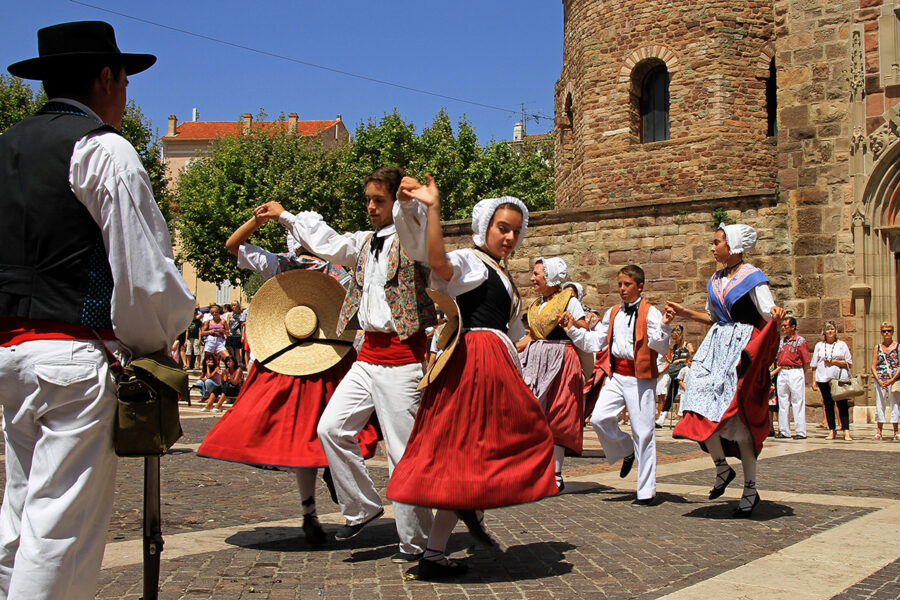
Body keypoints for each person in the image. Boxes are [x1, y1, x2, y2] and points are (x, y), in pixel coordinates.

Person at [0, 21, 194, 599]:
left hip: (10, 353)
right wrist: (156, 340)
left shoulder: (6, 146)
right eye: (126, 82)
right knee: (60, 531)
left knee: (19, 513)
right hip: (73, 356)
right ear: (106, 77)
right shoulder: (102, 149)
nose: (127, 95)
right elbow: (144, 273)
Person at [253, 166, 436, 563]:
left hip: (402, 359)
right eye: (368, 199)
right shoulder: (364, 243)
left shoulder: (413, 239)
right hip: (368, 356)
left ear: (395, 203)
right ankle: (362, 506)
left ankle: (415, 543)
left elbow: (414, 222)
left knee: (401, 453)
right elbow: (328, 242)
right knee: (331, 428)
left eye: (379, 200)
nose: (370, 207)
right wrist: (286, 216)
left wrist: (409, 201)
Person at [387, 174, 557, 580]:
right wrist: (433, 209)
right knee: (468, 452)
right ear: (485, 227)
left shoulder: (503, 276)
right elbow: (439, 264)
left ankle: (453, 532)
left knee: (473, 453)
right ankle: (444, 542)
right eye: (503, 228)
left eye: (515, 231)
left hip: (494, 363)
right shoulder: (471, 261)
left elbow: (515, 333)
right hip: (474, 362)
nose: (510, 237)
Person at [197, 218, 379, 545]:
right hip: (322, 358)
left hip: (299, 360)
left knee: (304, 440)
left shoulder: (286, 264)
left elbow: (233, 245)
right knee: (334, 432)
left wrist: (258, 220)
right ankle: (330, 488)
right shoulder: (337, 265)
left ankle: (312, 508)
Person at [667, 223, 784, 518]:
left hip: (741, 346)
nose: (712, 247)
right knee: (697, 402)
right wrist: (684, 312)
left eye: (717, 242)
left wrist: (776, 315)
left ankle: (750, 488)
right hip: (717, 346)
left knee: (738, 417)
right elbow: (712, 316)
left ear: (733, 246)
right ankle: (721, 466)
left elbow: (768, 312)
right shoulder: (715, 279)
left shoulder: (753, 277)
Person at [561, 265, 674, 507]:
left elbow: (661, 347)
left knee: (644, 433)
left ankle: (646, 492)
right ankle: (626, 449)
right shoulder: (613, 312)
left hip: (640, 378)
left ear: (640, 286)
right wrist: (571, 330)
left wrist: (664, 326)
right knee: (599, 418)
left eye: (627, 284)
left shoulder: (651, 313)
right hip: (616, 375)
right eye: (620, 284)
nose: (622, 289)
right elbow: (595, 341)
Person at [519, 257, 587, 491]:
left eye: (537, 274)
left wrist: (572, 322)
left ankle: (556, 473)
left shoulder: (568, 301)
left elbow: (585, 327)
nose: (532, 278)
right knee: (533, 412)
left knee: (558, 413)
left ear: (550, 277)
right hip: (536, 359)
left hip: (560, 357)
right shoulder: (537, 305)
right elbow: (531, 335)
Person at [810, 321, 853, 441]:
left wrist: (833, 362)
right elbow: (814, 365)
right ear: (824, 331)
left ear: (836, 331)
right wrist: (814, 380)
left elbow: (849, 362)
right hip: (823, 378)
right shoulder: (819, 345)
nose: (830, 331)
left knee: (842, 404)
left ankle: (846, 430)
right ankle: (831, 430)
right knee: (828, 404)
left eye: (832, 329)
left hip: (839, 378)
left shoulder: (842, 345)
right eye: (828, 329)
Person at [774, 316, 810, 439]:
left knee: (797, 401)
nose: (783, 328)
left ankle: (800, 431)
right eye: (783, 326)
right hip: (783, 371)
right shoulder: (782, 341)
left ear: (793, 327)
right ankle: (784, 430)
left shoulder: (800, 341)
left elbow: (806, 361)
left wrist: (801, 373)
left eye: (786, 326)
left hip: (795, 370)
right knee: (782, 401)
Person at [656, 324, 693, 427]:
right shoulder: (675, 347)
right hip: (676, 373)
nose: (674, 341)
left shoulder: (687, 345)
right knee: (670, 395)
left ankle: (686, 419)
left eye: (676, 338)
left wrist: (680, 360)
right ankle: (661, 418)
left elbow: (691, 357)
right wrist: (668, 360)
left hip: (685, 374)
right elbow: (672, 361)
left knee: (684, 395)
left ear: (680, 336)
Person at [871, 321, 900, 441]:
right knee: (880, 404)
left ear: (892, 332)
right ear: (881, 333)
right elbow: (873, 365)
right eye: (884, 331)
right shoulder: (877, 347)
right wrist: (878, 380)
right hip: (880, 379)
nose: (886, 333)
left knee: (895, 404)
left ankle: (896, 432)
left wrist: (892, 380)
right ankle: (879, 432)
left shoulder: (898, 347)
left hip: (893, 379)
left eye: (889, 331)